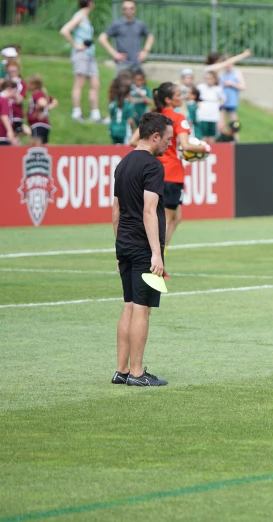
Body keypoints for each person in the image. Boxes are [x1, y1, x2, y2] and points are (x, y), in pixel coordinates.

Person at [112, 112, 173, 386]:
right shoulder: (152, 166)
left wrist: (118, 249)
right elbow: (150, 211)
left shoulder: (123, 163)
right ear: (155, 136)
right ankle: (137, 374)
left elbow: (116, 211)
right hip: (142, 247)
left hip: (125, 243)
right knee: (142, 308)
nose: (170, 145)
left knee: (128, 306)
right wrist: (157, 254)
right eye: (168, 140)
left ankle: (121, 370)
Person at [130, 82, 211, 279]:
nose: (182, 96)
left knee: (176, 217)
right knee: (164, 220)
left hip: (154, 172)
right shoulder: (178, 118)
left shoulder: (153, 116)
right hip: (172, 174)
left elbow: (134, 141)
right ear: (169, 99)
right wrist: (205, 148)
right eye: (178, 94)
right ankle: (155, 262)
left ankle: (157, 260)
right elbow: (185, 144)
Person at [59, 0, 102, 122]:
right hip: (81, 54)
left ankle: (95, 114)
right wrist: (75, 45)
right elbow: (65, 30)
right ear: (90, 3)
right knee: (80, 83)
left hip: (90, 54)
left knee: (95, 84)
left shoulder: (85, 17)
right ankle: (76, 113)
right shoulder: (79, 16)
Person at [98, 0, 154, 74]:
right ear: (122, 10)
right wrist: (114, 53)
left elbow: (150, 36)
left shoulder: (139, 24)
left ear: (135, 10)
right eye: (125, 9)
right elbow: (102, 38)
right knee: (121, 85)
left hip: (136, 64)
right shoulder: (117, 24)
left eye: (131, 8)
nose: (128, 11)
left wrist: (145, 51)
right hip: (123, 65)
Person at [26, 74, 58, 145]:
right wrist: (48, 108)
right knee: (44, 144)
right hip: (44, 124)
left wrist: (38, 111)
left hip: (37, 124)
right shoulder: (43, 94)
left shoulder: (37, 94)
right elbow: (54, 101)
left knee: (35, 145)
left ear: (34, 85)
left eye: (28, 83)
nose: (27, 85)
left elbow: (42, 103)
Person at [195, 71, 224, 144]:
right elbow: (195, 96)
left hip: (213, 114)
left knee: (212, 136)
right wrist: (198, 103)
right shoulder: (200, 87)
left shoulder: (218, 89)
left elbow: (223, 98)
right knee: (203, 135)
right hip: (203, 113)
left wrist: (217, 105)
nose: (208, 80)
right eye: (207, 78)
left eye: (210, 79)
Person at [219, 59, 244, 140]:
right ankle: (222, 140)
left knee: (234, 125)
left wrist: (231, 83)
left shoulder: (236, 73)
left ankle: (235, 142)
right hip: (222, 102)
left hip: (232, 102)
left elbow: (243, 87)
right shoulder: (221, 74)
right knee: (221, 124)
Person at [108, 78, 133, 144]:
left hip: (113, 129)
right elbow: (130, 120)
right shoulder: (128, 104)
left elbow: (111, 116)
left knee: (115, 149)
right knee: (125, 150)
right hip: (124, 130)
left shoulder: (113, 103)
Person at [0, 80, 19, 145]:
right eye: (14, 92)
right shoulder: (4, 100)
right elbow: (4, 116)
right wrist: (10, 131)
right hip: (2, 135)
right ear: (9, 88)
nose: (14, 95)